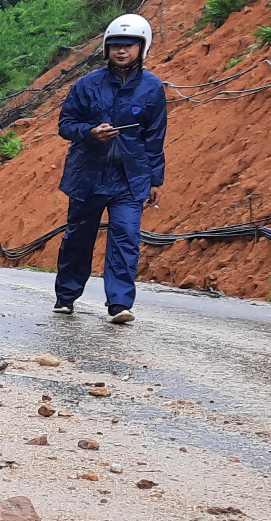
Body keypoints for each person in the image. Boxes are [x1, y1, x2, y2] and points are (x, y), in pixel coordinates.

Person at [54, 14, 166, 324]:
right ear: (106, 48)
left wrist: (156, 179)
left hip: (130, 178)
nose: (121, 51)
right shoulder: (87, 84)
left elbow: (155, 137)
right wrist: (90, 133)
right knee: (78, 237)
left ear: (141, 48)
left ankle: (119, 304)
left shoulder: (153, 88)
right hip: (87, 175)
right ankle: (66, 297)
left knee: (126, 236)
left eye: (128, 45)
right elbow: (65, 124)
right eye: (115, 45)